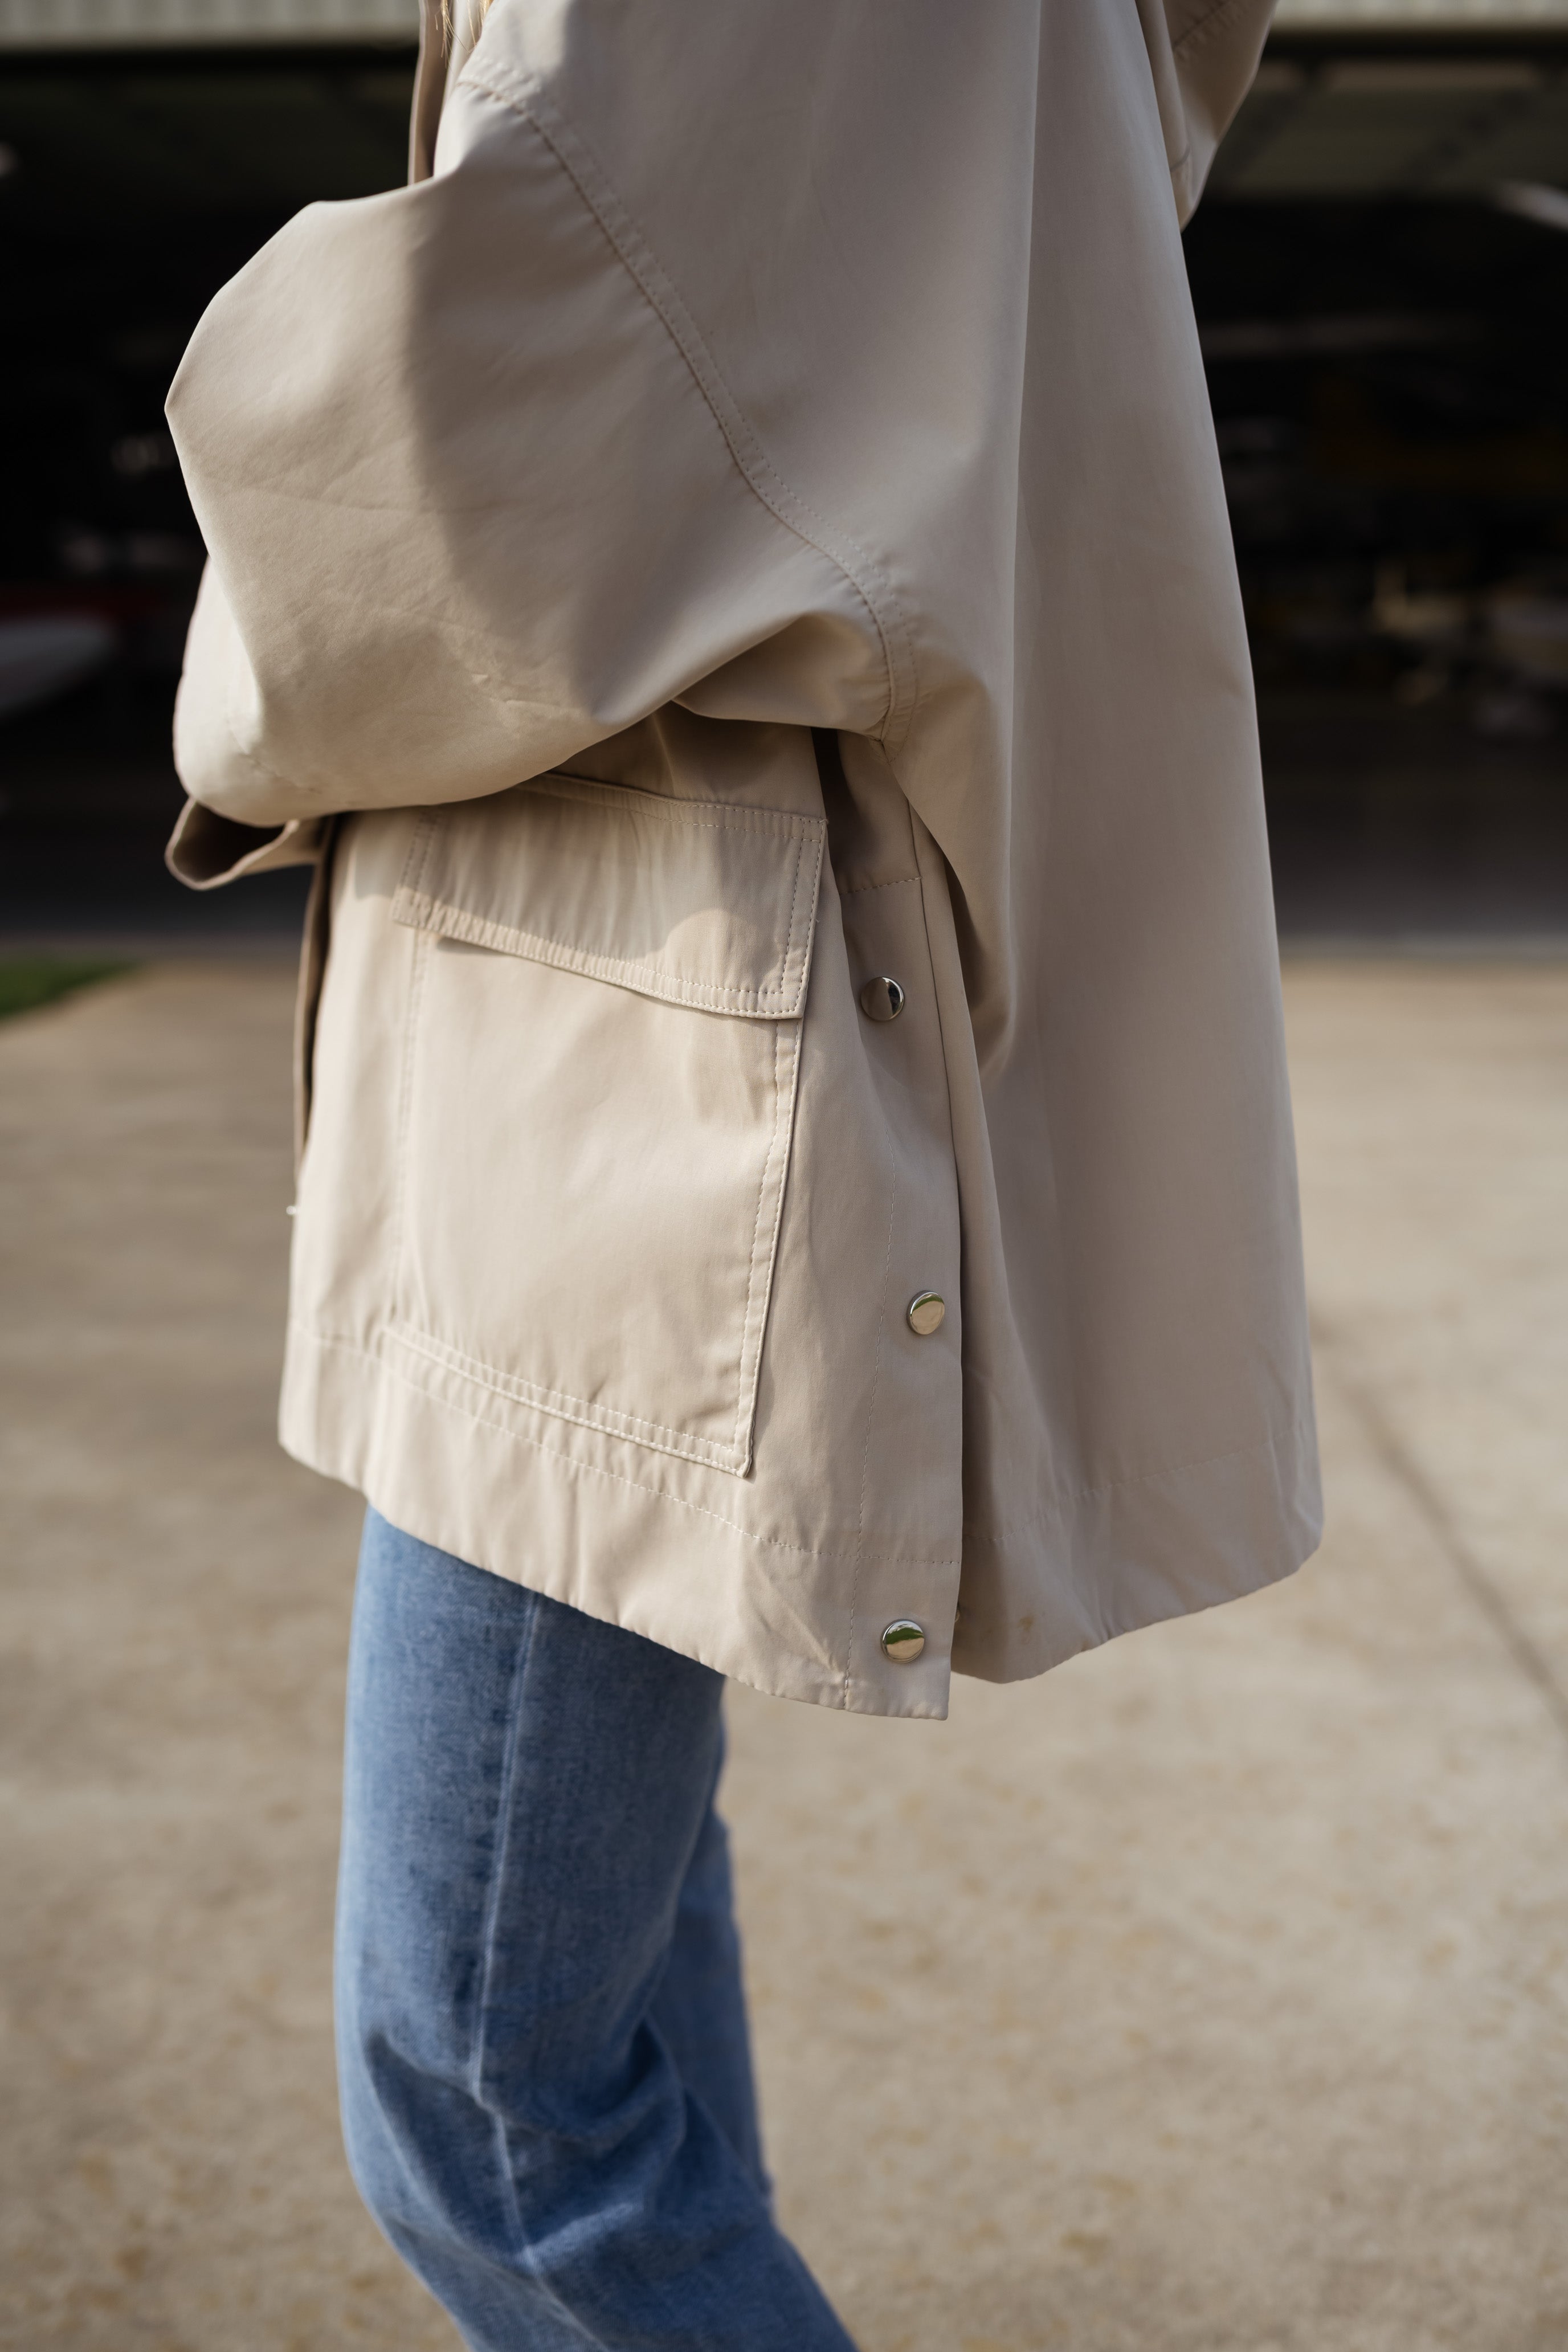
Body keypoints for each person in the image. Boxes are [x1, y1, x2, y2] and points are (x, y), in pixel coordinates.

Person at [164, 0, 1318, 2342]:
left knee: (493, 2093)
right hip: (681, 994)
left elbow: (509, 402)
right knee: (605, 2021)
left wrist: (243, 650)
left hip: (635, 1036)